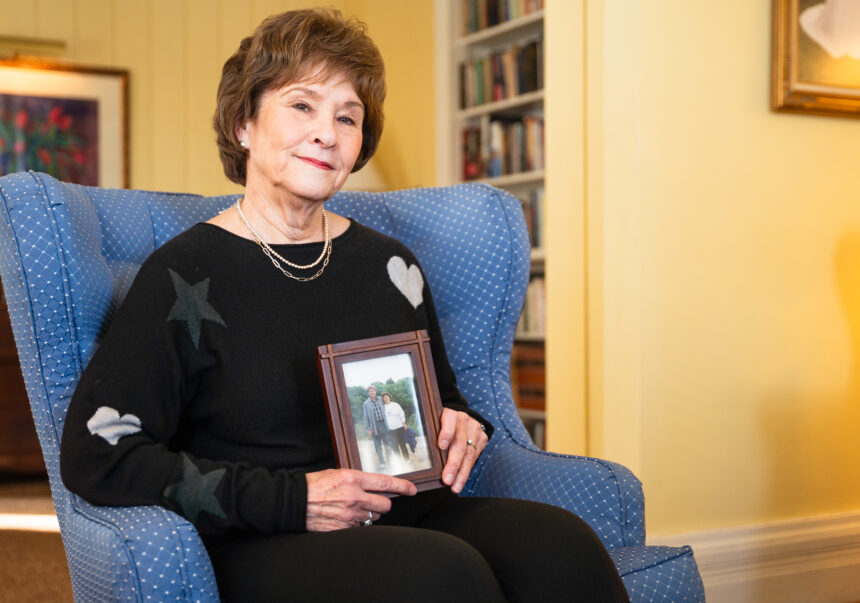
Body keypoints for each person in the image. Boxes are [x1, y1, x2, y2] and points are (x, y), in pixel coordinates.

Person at [59, 8, 629, 602]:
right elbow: (98, 452)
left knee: (562, 544)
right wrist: (294, 499)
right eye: (302, 106)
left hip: (407, 509)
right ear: (243, 123)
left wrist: (463, 426)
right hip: (267, 534)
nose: (327, 133)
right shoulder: (185, 272)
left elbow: (444, 401)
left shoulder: (391, 265)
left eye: (347, 116)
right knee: (441, 573)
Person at [362, 385, 390, 469]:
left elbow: (388, 409)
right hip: (374, 427)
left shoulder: (381, 400)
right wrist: (368, 429)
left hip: (384, 424)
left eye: (373, 390)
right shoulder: (366, 403)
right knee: (378, 446)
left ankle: (390, 462)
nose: (372, 392)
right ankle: (382, 463)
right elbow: (366, 417)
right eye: (370, 391)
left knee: (387, 444)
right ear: (368, 393)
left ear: (375, 391)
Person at [381, 391, 410, 463]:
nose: (386, 398)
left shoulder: (396, 405)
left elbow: (401, 414)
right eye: (384, 397)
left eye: (387, 396)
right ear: (383, 399)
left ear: (389, 397)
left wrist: (404, 424)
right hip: (390, 430)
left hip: (399, 427)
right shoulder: (383, 408)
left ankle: (407, 459)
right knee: (395, 446)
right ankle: (399, 461)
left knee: (402, 444)